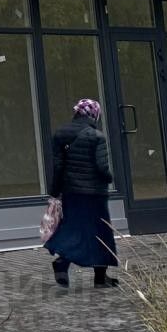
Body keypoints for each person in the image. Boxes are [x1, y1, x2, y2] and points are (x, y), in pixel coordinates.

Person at [45, 98, 118, 288]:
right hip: (94, 194)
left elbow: (58, 167)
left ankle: (63, 263)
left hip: (71, 192)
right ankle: (100, 278)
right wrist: (109, 178)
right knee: (100, 233)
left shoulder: (60, 134)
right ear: (94, 114)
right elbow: (102, 168)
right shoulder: (96, 136)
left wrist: (55, 191)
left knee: (75, 229)